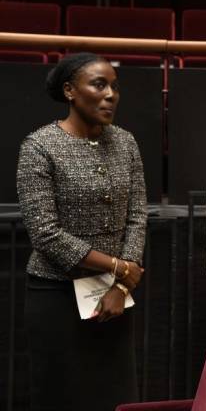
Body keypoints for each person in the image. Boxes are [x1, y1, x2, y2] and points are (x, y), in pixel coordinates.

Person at [16, 52, 146, 411]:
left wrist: (121, 286)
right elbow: (45, 233)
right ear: (71, 91)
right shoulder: (39, 147)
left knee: (116, 398)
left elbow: (137, 217)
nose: (111, 95)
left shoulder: (126, 142)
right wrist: (118, 267)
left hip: (115, 300)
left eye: (115, 87)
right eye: (99, 84)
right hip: (55, 298)